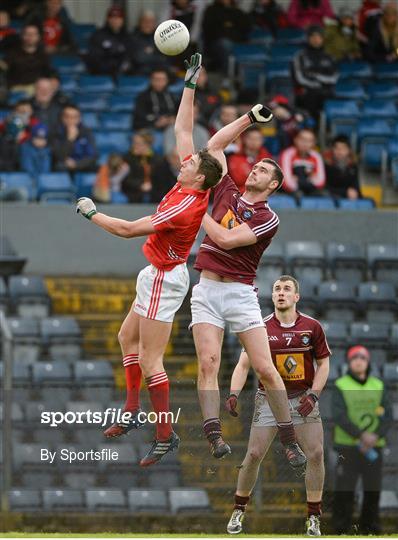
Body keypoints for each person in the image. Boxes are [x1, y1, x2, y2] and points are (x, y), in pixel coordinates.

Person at [76, 54, 225, 467]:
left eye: (192, 162)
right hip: (154, 273)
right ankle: (131, 408)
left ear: (199, 178)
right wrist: (190, 84)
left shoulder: (185, 207)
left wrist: (92, 212)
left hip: (165, 277)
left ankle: (164, 434)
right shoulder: (190, 181)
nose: (186, 159)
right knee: (127, 338)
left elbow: (126, 230)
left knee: (150, 358)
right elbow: (181, 128)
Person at [189, 100, 307, 469]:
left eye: (261, 170)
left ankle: (289, 439)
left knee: (266, 368)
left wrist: (195, 214)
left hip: (240, 294)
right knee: (207, 361)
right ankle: (213, 435)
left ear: (272, 184)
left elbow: (226, 241)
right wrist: (248, 119)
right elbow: (213, 148)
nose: (253, 170)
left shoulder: (267, 217)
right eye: (254, 166)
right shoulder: (227, 190)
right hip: (207, 290)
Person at [226, 275, 330, 536]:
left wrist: (314, 395)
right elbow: (242, 365)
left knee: (316, 454)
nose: (281, 293)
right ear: (271, 297)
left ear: (296, 297)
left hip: (302, 398)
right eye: (276, 289)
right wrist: (233, 393)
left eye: (286, 289)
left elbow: (324, 364)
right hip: (269, 400)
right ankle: (239, 510)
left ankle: (314, 517)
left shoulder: (312, 327)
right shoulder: (258, 328)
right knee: (253, 454)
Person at [332, 346, 392, 535]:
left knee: (372, 491)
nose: (359, 360)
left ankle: (370, 529)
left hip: (374, 448)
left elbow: (388, 416)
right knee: (345, 491)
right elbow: (339, 415)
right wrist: (361, 436)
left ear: (368, 361)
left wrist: (375, 436)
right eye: (354, 357)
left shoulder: (379, 385)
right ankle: (341, 529)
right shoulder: (340, 384)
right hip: (348, 448)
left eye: (362, 357)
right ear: (349, 362)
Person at [292, 25, 338, 122]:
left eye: (319, 37)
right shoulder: (300, 56)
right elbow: (299, 78)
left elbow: (334, 77)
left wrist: (316, 77)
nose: (316, 40)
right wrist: (317, 84)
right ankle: (311, 126)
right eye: (313, 37)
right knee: (311, 96)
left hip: (326, 92)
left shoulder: (330, 56)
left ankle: (327, 127)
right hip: (307, 93)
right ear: (308, 38)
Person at [202, 0, 252, 73]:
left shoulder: (238, 11)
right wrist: (228, 30)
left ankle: (245, 74)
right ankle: (231, 74)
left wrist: (229, 29)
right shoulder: (211, 10)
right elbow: (209, 30)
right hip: (216, 43)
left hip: (237, 41)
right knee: (226, 44)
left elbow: (246, 28)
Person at [2, 23, 51, 94]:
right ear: (22, 36)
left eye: (33, 34)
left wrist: (54, 80)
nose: (30, 36)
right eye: (27, 34)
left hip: (36, 89)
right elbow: (4, 66)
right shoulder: (13, 53)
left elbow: (48, 73)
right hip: (16, 89)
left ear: (38, 37)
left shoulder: (43, 55)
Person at [85, 5, 129, 78]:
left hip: (123, 75)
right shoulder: (98, 36)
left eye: (118, 17)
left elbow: (129, 57)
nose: (115, 20)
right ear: (107, 19)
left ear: (123, 20)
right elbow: (95, 59)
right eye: (112, 17)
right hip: (102, 75)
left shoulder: (127, 37)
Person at [280, 128, 326, 197]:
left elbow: (321, 181)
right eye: (302, 139)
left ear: (314, 143)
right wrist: (309, 180)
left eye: (309, 141)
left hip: (311, 190)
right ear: (295, 140)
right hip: (290, 192)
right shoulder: (287, 154)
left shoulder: (316, 156)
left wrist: (299, 181)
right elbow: (286, 182)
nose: (305, 143)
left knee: (324, 194)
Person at [52, 104, 97, 173]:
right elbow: (59, 156)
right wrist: (70, 140)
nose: (71, 120)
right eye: (67, 117)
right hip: (64, 167)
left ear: (79, 119)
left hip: (82, 165)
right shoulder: (56, 133)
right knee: (59, 166)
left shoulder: (86, 133)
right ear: (62, 118)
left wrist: (77, 164)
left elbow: (92, 155)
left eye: (74, 117)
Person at [227, 126, 272, 193]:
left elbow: (271, 178)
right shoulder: (235, 157)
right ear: (244, 139)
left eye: (257, 139)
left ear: (262, 140)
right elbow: (238, 180)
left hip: (264, 194)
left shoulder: (266, 156)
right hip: (241, 194)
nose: (254, 141)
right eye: (251, 138)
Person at [121, 130, 160, 203]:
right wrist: (140, 185)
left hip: (153, 190)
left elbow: (160, 179)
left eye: (138, 143)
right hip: (133, 190)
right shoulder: (128, 158)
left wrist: (151, 185)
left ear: (147, 144)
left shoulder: (157, 159)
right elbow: (126, 179)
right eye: (134, 143)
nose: (134, 145)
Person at [128, 11, 169, 76]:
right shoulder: (133, 37)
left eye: (151, 22)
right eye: (145, 21)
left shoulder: (161, 38)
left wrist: (149, 55)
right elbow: (138, 59)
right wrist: (156, 56)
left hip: (159, 76)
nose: (148, 24)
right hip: (138, 75)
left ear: (155, 23)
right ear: (139, 22)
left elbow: (164, 59)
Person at [323, 135, 361, 200]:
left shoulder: (353, 166)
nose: (339, 151)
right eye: (337, 148)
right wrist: (346, 192)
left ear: (348, 150)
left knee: (369, 201)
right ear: (332, 150)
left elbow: (356, 186)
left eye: (343, 148)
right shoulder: (326, 166)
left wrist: (355, 192)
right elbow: (325, 188)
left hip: (350, 198)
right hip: (331, 198)